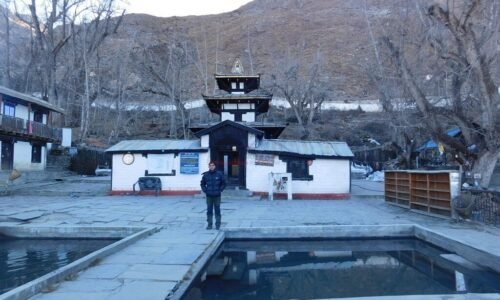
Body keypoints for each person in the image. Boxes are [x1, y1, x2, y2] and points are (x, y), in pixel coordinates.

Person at [200, 161, 226, 230]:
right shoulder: (206, 175)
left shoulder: (219, 174)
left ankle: (218, 224)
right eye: (210, 165)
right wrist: (205, 191)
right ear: (209, 166)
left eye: (213, 165)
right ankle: (209, 224)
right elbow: (202, 184)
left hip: (217, 196)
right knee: (209, 210)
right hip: (209, 196)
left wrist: (220, 190)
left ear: (215, 166)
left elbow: (224, 183)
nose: (211, 167)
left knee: (217, 210)